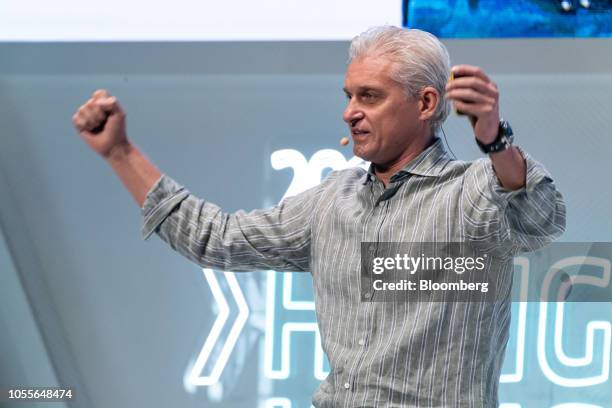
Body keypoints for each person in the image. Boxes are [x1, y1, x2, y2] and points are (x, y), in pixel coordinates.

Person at [72, 26, 565, 407]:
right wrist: (119, 152)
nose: (350, 112)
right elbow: (215, 238)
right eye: (348, 96)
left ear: (426, 103)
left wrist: (494, 139)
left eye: (369, 96)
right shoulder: (332, 199)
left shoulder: (473, 192)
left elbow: (541, 218)